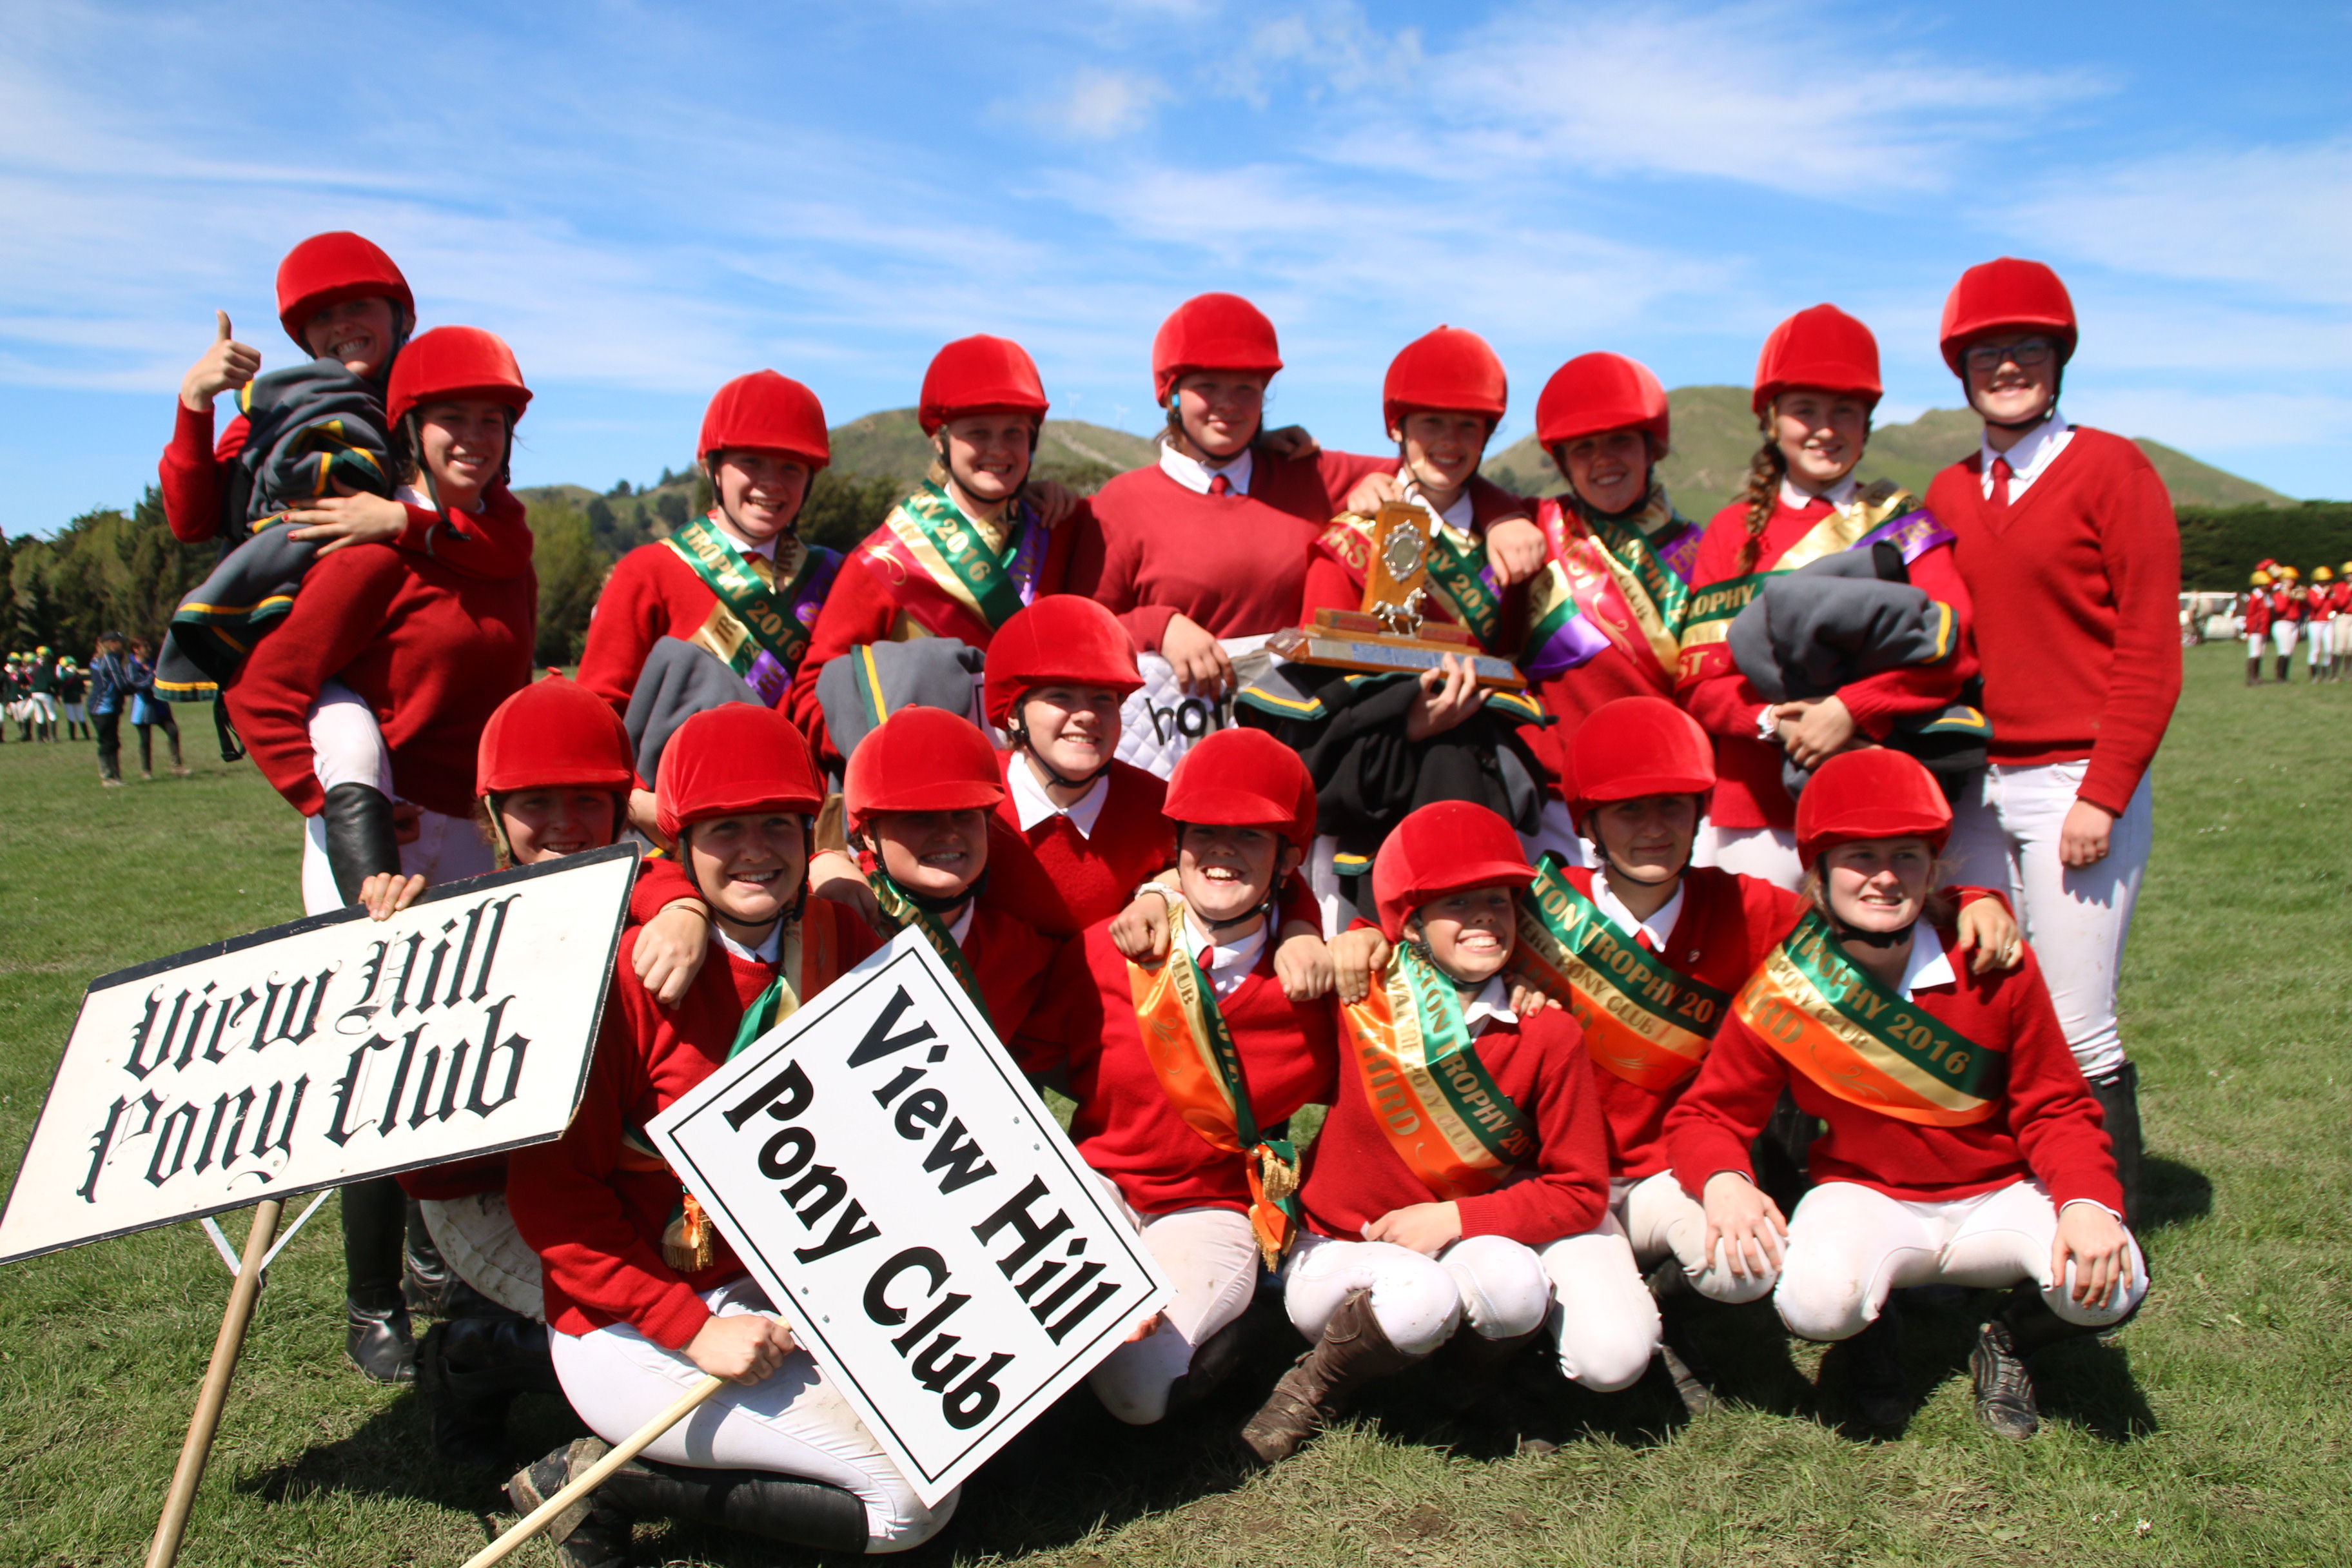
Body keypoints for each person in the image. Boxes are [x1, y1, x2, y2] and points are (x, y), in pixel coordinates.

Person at [506, 704, 944, 1563]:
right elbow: (555, 1202)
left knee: (961, 1428)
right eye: (725, 828)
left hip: (784, 1287)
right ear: (681, 843)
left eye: (776, 824)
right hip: (632, 1322)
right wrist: (687, 1326)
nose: (754, 849)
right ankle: (593, 1477)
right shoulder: (621, 979)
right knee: (909, 1506)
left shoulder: (838, 936)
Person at [1498, 696, 2020, 1409]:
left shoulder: (1752, 909)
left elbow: (1872, 901)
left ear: (1700, 815)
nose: (1654, 827)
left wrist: (1975, 897)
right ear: (1586, 821)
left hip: (1662, 1174)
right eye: (1629, 810)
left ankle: (1666, 1315)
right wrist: (1350, 937)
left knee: (1750, 1261)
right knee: (1605, 1357)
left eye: (1674, 807)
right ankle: (1596, 1331)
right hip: (1555, 1177)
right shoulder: (1529, 910)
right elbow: (1418, 923)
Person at [226, 326, 538, 1384]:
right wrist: (328, 800)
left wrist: (412, 515)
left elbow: (496, 553)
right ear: (410, 426)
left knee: (469, 1060)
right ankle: (372, 1305)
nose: (477, 439)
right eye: (455, 418)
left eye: (495, 421)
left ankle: (437, 1266)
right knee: (382, 1069)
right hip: (383, 833)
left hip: (476, 829)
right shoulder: (365, 559)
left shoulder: (497, 536)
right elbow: (264, 691)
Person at [1667, 749, 2147, 1438]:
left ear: (1935, 866)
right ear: (1821, 871)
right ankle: (1869, 1331)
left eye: (1908, 856)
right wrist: (1723, 1180)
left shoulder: (1991, 959)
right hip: (1869, 1197)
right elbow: (1707, 1111)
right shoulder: (1789, 984)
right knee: (1814, 1304)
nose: (1886, 877)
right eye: (1861, 856)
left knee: (2114, 1278)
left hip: (1994, 1196)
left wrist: (2087, 1201)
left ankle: (2006, 1340)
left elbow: (2055, 1104)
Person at [366, 673, 716, 1469]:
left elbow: (670, 873)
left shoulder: (649, 891)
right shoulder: (457, 925)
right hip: (486, 1192)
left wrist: (685, 906)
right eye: (535, 802)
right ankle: (475, 1353)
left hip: (604, 1182)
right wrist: (384, 937)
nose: (564, 824)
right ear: (493, 814)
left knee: (699, 1299)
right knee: (637, 1331)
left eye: (588, 800)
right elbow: (424, 1154)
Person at [1242, 800, 1628, 1463]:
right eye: (1458, 902)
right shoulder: (1362, 989)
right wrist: (1356, 929)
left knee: (1518, 1283)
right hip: (1334, 1244)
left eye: (1498, 901)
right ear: (1412, 924)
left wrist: (1453, 1215)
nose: (1483, 916)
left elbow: (1580, 1192)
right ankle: (1314, 1388)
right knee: (1421, 1296)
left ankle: (1461, 1385)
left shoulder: (1549, 1031)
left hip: (1450, 1240)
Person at [1928, 259, 2184, 1224]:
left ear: (2058, 359)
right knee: (1986, 997)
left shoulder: (2115, 468)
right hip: (1976, 784)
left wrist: (2105, 793)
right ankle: (2007, 1199)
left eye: (2027, 349)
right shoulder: (1949, 493)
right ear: (1962, 371)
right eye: (1987, 353)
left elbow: (2152, 651)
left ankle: (2106, 1228)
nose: (2007, 367)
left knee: (2076, 1021)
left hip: (2077, 779)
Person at [1014, 728, 1337, 1427]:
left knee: (1139, 1390)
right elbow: (1026, 1065)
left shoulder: (1317, 987)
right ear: (1176, 844)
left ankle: (1251, 1316)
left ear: (1288, 859)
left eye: (1249, 835)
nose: (1221, 850)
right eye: (1204, 832)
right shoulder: (1104, 949)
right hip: (1099, 1184)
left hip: (1209, 1211)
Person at [1677, 306, 1978, 890]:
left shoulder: (1905, 523)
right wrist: (1772, 722)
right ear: (1771, 421)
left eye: (1846, 410)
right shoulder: (1730, 532)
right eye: (1805, 410)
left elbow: (1954, 650)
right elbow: (1697, 680)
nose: (1826, 428)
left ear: (1868, 425)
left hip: (1878, 804)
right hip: (1754, 813)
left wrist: (1850, 710)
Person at [1277, 327, 1552, 901]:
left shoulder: (1512, 534)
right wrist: (1406, 720)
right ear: (1397, 428)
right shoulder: (1352, 538)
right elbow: (1316, 692)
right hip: (1375, 788)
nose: (1450, 442)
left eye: (1468, 425)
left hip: (1480, 786)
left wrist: (1504, 515)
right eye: (1432, 422)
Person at [1068, 292, 1387, 700]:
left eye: (1245, 388)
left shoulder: (1306, 472)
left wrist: (1498, 519)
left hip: (1292, 734)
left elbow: (1428, 467)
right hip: (1170, 746)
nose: (1228, 405)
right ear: (1172, 395)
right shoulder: (1121, 503)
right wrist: (1157, 626)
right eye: (1207, 386)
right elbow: (1079, 629)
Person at [789, 335, 1078, 769]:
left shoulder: (1059, 531)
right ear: (941, 443)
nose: (998, 449)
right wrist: (894, 747)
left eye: (1014, 433)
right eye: (978, 433)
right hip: (934, 792)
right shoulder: (882, 561)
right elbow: (813, 700)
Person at [576, 370, 841, 737]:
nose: (771, 482)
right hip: (674, 789)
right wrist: (639, 796)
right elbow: (598, 714)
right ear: (712, 469)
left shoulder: (833, 576)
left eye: (791, 467)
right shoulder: (647, 572)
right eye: (751, 461)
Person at [841, 703, 1062, 1037]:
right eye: (918, 816)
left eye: (964, 813)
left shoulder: (1021, 956)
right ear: (870, 835)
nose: (947, 833)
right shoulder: (830, 928)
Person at [126, 639, 188, 778]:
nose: (148, 649)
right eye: (145, 646)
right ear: (136, 649)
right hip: (142, 708)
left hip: (159, 705)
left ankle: (177, 766)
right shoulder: (132, 667)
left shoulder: (152, 663)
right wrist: (152, 675)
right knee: (145, 740)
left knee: (173, 731)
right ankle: (146, 771)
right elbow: (139, 684)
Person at [86, 632, 136, 785]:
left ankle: (115, 776)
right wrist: (142, 685)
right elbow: (121, 684)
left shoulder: (97, 659)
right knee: (108, 742)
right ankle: (108, 777)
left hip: (104, 707)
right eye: (120, 642)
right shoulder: (110, 659)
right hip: (103, 707)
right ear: (112, 644)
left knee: (112, 741)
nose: (123, 646)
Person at [2306, 566, 2335, 682]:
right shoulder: (2312, 591)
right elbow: (2316, 605)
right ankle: (2314, 676)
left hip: (2328, 622)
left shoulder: (2330, 591)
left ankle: (2325, 674)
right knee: (2315, 649)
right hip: (2316, 623)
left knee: (2329, 649)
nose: (2326, 582)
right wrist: (2323, 594)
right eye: (2323, 580)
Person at [2242, 571, 2273, 686]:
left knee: (2260, 653)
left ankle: (2258, 676)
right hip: (2256, 630)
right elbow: (2250, 614)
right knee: (2254, 653)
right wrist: (2251, 629)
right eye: (2265, 584)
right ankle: (2251, 678)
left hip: (2263, 629)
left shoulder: (2264, 597)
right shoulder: (2254, 597)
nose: (2267, 586)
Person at [26, 648, 59, 742]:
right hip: (45, 693)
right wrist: (57, 687)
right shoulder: (46, 666)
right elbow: (51, 680)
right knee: (52, 715)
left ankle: (40, 738)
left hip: (35, 693)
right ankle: (53, 737)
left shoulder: (33, 666)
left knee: (39, 716)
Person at [57, 656, 88, 741]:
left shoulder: (64, 674)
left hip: (68, 698)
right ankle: (86, 736)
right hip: (76, 698)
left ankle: (73, 737)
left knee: (72, 717)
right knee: (80, 717)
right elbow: (82, 687)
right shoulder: (77, 675)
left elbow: (61, 685)